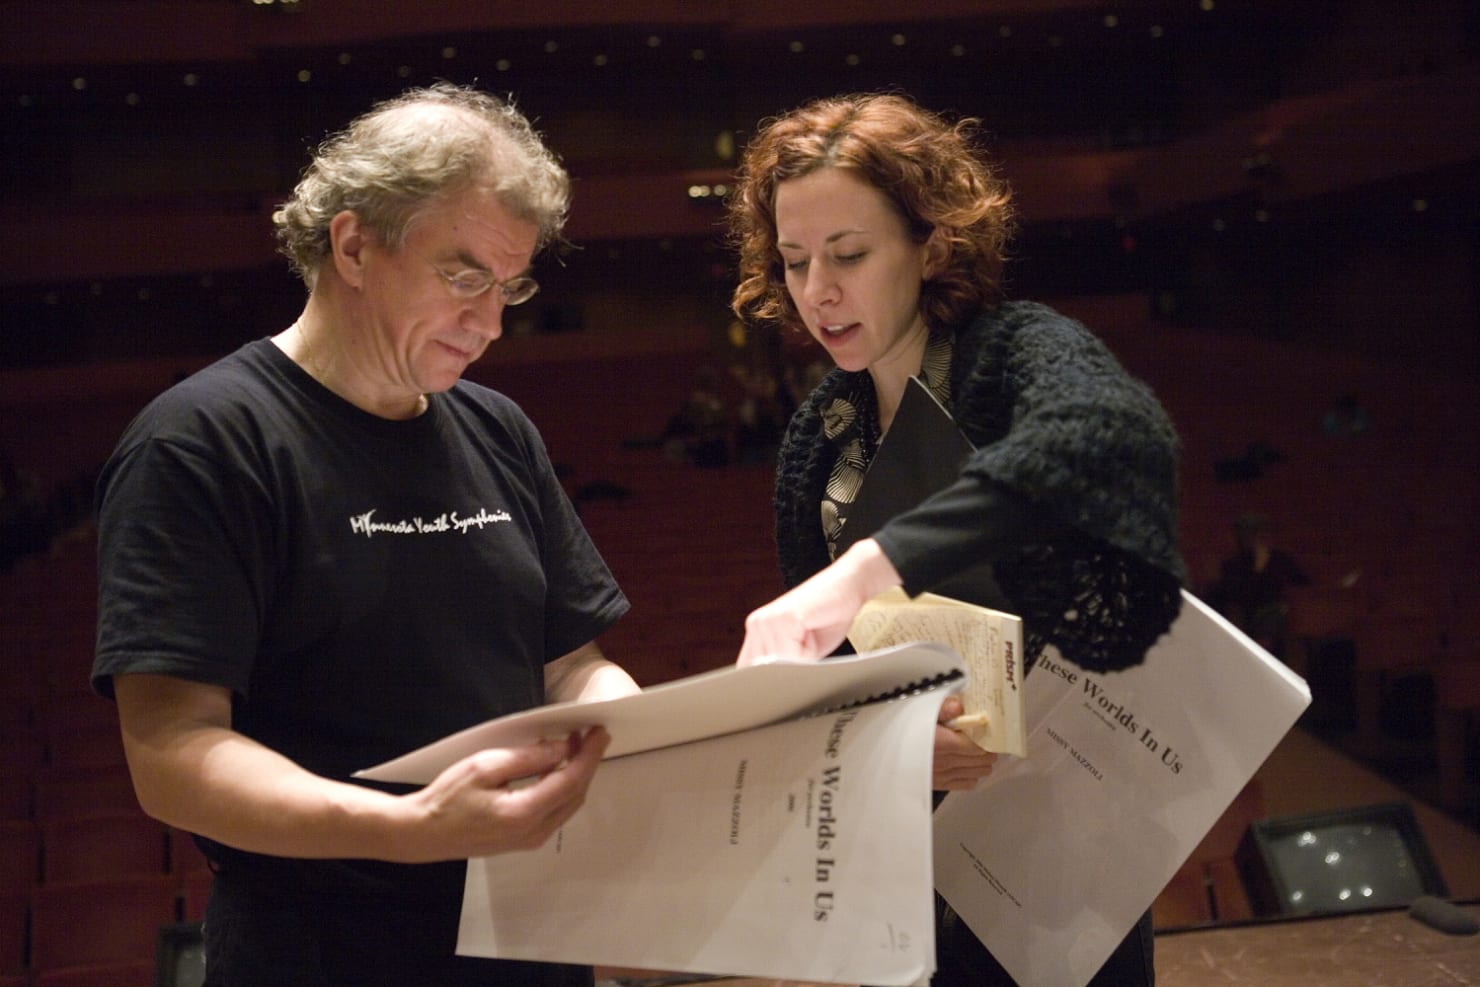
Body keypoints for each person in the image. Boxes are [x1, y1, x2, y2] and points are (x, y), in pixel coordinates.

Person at [92, 84, 640, 987]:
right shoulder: (201, 441)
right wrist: (414, 828)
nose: (492, 322)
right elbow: (172, 756)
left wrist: (632, 739)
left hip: (531, 929)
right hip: (321, 946)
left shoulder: (497, 426)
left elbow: (571, 662)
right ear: (353, 244)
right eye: (464, 277)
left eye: (511, 287)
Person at [726, 93, 1186, 987]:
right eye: (793, 260)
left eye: (849, 254)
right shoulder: (819, 433)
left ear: (930, 244)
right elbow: (835, 680)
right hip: (904, 854)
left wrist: (867, 566)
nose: (818, 289)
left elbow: (1112, 428)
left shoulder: (1016, 352)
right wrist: (881, 737)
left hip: (1064, 830)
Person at [1206, 512, 1310, 658]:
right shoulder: (1233, 564)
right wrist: (1259, 569)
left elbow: (1303, 584)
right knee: (1275, 617)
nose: (1254, 538)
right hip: (1251, 616)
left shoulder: (1281, 559)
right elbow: (1241, 596)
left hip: (1283, 615)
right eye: (1249, 533)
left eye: (1258, 532)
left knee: (1289, 618)